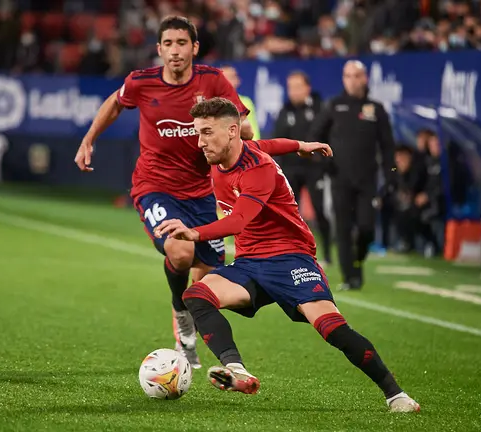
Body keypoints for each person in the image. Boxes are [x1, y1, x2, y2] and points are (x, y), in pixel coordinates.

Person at [154, 97, 420, 413]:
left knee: (332, 329)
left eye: (207, 133)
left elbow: (239, 220)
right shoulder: (231, 153)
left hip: (291, 259)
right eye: (198, 133)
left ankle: (397, 396)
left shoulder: (259, 169)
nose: (200, 143)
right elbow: (268, 143)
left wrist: (195, 232)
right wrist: (299, 144)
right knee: (197, 296)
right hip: (250, 263)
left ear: (233, 131)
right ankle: (237, 371)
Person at [75, 16, 262, 369]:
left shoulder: (213, 80)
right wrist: (88, 140)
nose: (174, 51)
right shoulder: (142, 82)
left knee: (205, 278)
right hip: (155, 188)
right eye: (168, 44)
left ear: (194, 47)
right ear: (159, 49)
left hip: (202, 192)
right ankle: (180, 314)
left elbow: (240, 122)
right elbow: (115, 103)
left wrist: (242, 132)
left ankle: (187, 322)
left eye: (181, 43)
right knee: (179, 250)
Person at [308, 60, 397, 290]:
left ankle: (359, 258)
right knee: (343, 228)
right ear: (343, 79)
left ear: (365, 78)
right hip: (340, 178)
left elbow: (388, 146)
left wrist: (391, 175)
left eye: (357, 75)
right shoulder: (334, 106)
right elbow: (315, 137)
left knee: (367, 227)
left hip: (367, 179)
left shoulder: (376, 109)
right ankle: (351, 277)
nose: (353, 80)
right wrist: (323, 165)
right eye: (348, 76)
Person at [274, 70, 333, 264]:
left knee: (319, 210)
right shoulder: (285, 110)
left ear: (307, 88)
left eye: (298, 87)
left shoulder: (319, 108)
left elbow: (328, 136)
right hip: (291, 169)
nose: (294, 92)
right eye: (290, 87)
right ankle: (291, 251)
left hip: (314, 169)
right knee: (289, 212)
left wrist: (323, 163)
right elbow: (277, 139)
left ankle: (327, 253)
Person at [219, 65, 260, 139]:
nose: (226, 82)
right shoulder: (211, 104)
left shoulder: (246, 102)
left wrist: (253, 148)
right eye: (223, 78)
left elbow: (253, 132)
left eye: (232, 77)